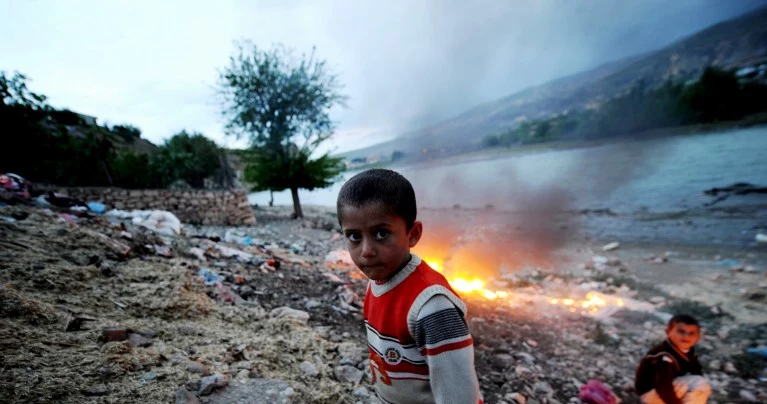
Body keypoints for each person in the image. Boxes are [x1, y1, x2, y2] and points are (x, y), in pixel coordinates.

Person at [336, 169, 483, 404]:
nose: (366, 251)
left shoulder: (432, 307)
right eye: (354, 236)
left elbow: (459, 395)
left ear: (413, 234)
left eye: (382, 233)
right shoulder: (377, 283)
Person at [634, 314, 712, 404]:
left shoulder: (688, 352)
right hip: (652, 393)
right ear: (668, 332)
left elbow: (697, 373)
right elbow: (663, 386)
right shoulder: (664, 354)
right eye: (681, 332)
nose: (686, 337)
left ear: (698, 337)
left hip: (667, 391)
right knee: (699, 383)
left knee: (701, 384)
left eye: (691, 333)